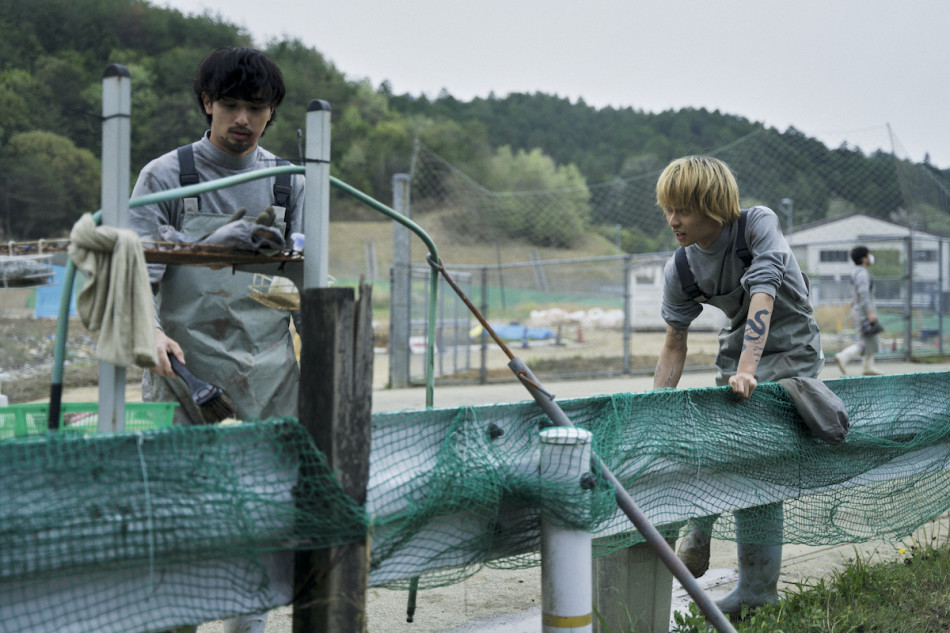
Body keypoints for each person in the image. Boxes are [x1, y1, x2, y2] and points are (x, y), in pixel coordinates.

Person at [129, 47, 304, 633]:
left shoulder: (287, 184)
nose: (243, 121)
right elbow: (138, 278)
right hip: (185, 373)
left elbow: (305, 283)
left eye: (256, 108)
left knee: (257, 513)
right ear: (207, 103)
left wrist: (325, 341)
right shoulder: (166, 177)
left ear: (272, 113)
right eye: (230, 105)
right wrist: (149, 333)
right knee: (181, 514)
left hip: (266, 373)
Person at [652, 155, 823, 615]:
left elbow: (765, 287)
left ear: (713, 205)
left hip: (791, 350)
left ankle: (705, 539)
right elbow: (674, 343)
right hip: (736, 349)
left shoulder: (756, 225)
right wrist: (654, 405)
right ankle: (746, 581)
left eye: (683, 209)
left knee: (752, 455)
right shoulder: (681, 269)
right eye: (668, 209)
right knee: (727, 441)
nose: (673, 220)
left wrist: (749, 369)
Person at [835, 246, 884, 376]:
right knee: (865, 341)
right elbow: (864, 294)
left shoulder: (856, 272)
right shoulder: (862, 274)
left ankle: (868, 366)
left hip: (858, 309)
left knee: (871, 338)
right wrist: (869, 312)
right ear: (864, 259)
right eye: (869, 255)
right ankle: (844, 356)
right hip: (863, 311)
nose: (871, 257)